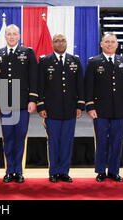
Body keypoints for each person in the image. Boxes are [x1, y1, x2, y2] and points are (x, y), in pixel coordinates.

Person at [0, 24, 38, 183]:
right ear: (5, 36)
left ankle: (18, 171)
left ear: (19, 36)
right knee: (8, 137)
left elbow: (34, 77)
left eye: (14, 34)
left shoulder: (28, 53)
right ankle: (9, 170)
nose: (11, 37)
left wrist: (32, 99)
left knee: (20, 137)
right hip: (5, 104)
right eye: (9, 34)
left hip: (23, 103)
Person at [85, 33, 123, 182]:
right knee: (101, 141)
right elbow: (88, 87)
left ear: (117, 45)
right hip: (100, 110)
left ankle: (114, 171)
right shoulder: (94, 62)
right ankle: (100, 171)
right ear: (101, 44)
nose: (110, 44)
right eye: (107, 42)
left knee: (117, 141)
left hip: (119, 109)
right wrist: (90, 106)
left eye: (112, 42)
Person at [37, 34, 85, 183]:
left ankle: (64, 171)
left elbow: (80, 85)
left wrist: (80, 106)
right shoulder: (45, 61)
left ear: (67, 42)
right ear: (52, 43)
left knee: (67, 141)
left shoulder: (74, 60)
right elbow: (40, 85)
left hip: (70, 109)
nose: (60, 43)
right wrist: (41, 106)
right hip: (51, 109)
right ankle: (53, 172)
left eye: (63, 40)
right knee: (53, 142)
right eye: (57, 40)